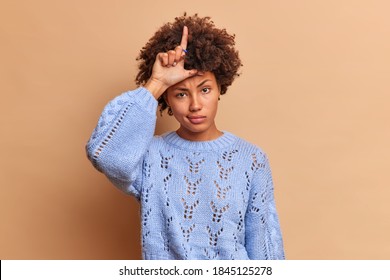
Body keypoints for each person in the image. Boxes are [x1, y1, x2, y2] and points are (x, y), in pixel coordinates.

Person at [86, 14, 285, 260]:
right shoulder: (150, 156)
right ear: (166, 100)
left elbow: (265, 248)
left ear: (219, 89)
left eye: (205, 90)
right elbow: (106, 156)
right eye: (181, 94)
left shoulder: (251, 159)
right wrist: (157, 82)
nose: (195, 105)